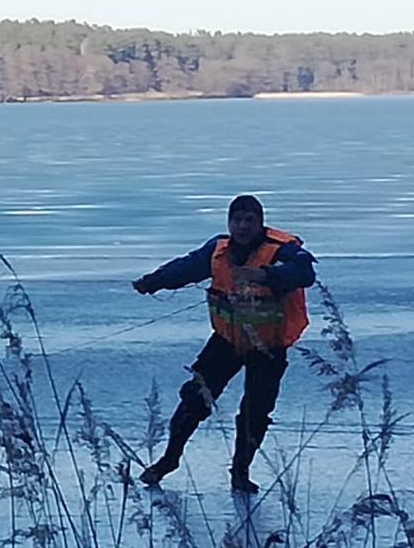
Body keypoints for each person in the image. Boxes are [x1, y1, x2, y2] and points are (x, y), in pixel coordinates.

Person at [131, 195, 316, 493]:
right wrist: (152, 281)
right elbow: (185, 268)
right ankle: (169, 459)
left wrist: (266, 274)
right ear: (229, 222)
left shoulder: (283, 250)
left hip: (268, 346)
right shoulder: (218, 250)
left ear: (260, 223)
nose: (242, 226)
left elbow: (305, 274)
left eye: (249, 220)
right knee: (194, 398)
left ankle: (240, 473)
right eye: (237, 220)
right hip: (227, 340)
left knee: (255, 411)